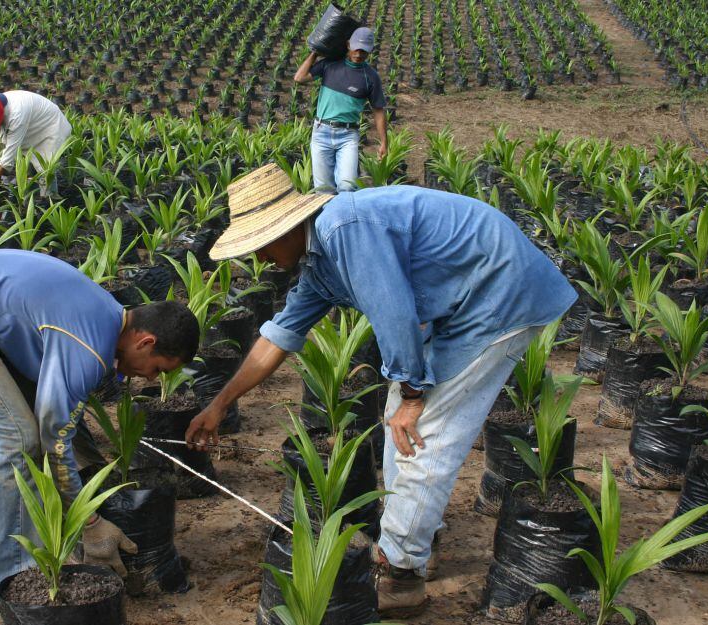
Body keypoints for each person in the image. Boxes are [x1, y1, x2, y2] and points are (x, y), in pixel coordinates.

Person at [185, 164, 576, 617]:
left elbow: (393, 313)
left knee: (426, 429)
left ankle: (403, 573)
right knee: (399, 420)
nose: (260, 260)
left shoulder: (344, 228)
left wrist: (414, 397)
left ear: (288, 226)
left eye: (261, 246)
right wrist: (219, 404)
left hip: (500, 291)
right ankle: (414, 536)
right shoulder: (319, 264)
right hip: (464, 299)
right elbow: (278, 337)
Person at [0, 249, 200, 623]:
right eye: (158, 368)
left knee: (47, 430)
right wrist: (91, 526)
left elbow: (66, 426)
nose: (151, 379)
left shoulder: (106, 317)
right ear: (145, 343)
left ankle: (49, 542)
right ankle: (0, 594)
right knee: (15, 441)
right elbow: (54, 438)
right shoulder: (88, 348)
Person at [293, 27, 388, 194]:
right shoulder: (330, 64)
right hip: (322, 131)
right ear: (348, 45)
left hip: (348, 135)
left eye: (364, 51)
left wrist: (383, 142)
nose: (359, 54)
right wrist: (315, 52)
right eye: (356, 48)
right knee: (323, 189)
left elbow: (378, 111)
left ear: (370, 51)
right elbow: (299, 78)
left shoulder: (370, 76)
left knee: (348, 185)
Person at [0, 90, 72, 195]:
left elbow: (10, 151)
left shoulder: (16, 114)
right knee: (27, 166)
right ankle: (30, 197)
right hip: (32, 128)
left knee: (45, 169)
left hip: (51, 127)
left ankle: (49, 200)